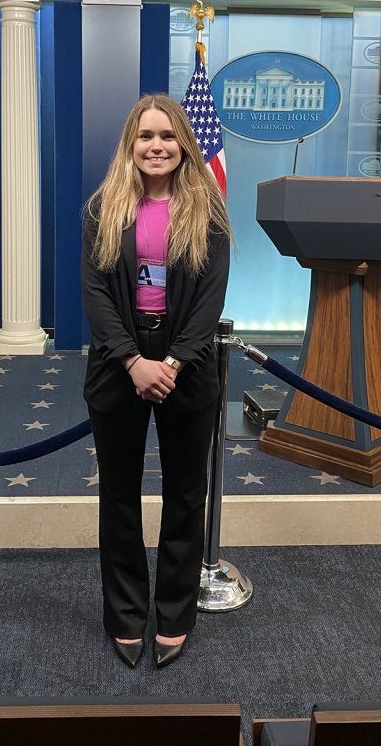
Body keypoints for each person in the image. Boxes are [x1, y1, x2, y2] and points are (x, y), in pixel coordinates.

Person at [81, 93, 231, 669]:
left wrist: (169, 363)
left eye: (167, 137)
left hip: (184, 368)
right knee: (118, 495)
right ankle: (124, 614)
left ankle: (174, 613)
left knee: (184, 495)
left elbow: (209, 299)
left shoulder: (209, 212)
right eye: (145, 136)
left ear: (184, 146)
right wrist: (132, 361)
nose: (156, 146)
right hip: (118, 365)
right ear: (130, 144)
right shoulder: (103, 209)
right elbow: (94, 293)